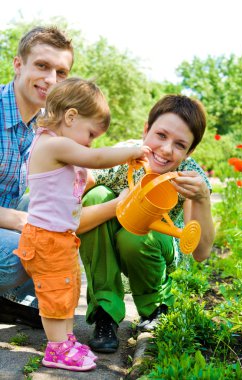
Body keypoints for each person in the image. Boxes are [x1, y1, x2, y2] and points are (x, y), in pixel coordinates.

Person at [13, 77, 151, 372]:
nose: (91, 142)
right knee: (54, 294)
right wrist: (131, 151)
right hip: (46, 238)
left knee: (67, 290)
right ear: (71, 116)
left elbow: (86, 170)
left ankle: (65, 339)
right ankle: (56, 349)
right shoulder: (53, 144)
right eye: (91, 133)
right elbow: (96, 158)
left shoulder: (60, 148)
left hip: (59, 237)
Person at [77, 94, 216, 353]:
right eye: (161, 135)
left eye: (179, 144)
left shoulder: (188, 177)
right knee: (95, 196)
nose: (165, 149)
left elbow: (201, 252)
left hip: (152, 252)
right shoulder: (126, 157)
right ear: (146, 129)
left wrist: (202, 198)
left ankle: (155, 309)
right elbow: (74, 190)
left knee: (139, 232)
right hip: (110, 244)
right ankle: (105, 313)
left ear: (190, 151)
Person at [0, 26, 74, 328]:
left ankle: (13, 301)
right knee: (18, 256)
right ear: (18, 65)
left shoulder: (41, 127)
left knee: (66, 222)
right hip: (8, 226)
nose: (51, 80)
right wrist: (24, 224)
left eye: (61, 72)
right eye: (42, 66)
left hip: (7, 219)